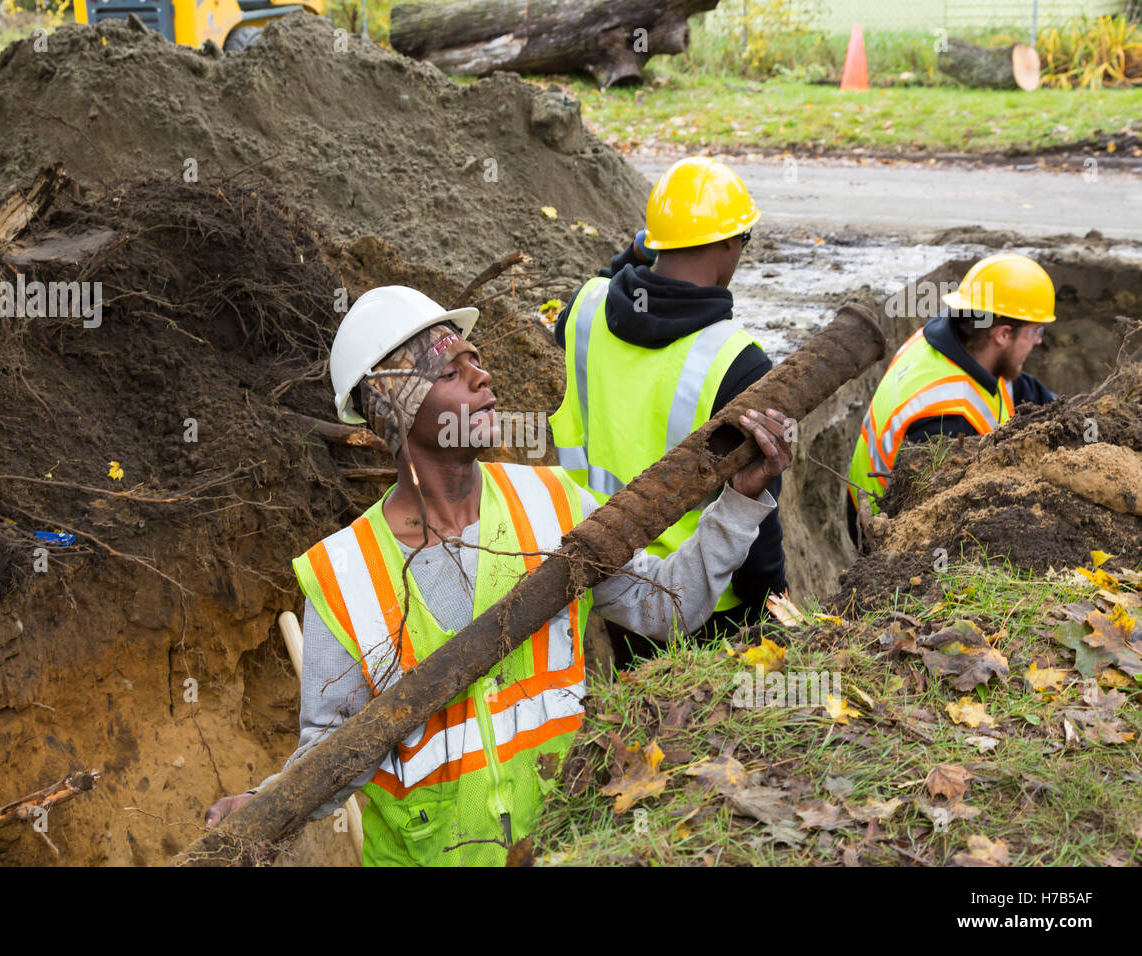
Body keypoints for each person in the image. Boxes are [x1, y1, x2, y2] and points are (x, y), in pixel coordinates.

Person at [203, 284, 793, 865]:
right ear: (395, 404)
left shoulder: (554, 506)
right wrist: (262, 806)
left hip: (568, 848)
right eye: (451, 370)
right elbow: (330, 756)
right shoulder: (342, 574)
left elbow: (669, 607)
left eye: (476, 360)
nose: (482, 377)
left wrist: (738, 505)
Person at [549, 156, 786, 666]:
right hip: (698, 602)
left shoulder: (585, 311)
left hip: (600, 572)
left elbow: (607, 283)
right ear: (729, 243)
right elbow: (756, 510)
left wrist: (636, 251)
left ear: (652, 242)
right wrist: (774, 607)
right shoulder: (738, 364)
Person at [846, 253, 1059, 542]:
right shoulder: (947, 418)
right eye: (1035, 332)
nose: (1039, 341)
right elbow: (935, 520)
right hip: (880, 527)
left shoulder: (948, 342)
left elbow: (1018, 389)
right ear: (1003, 335)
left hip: (860, 498)